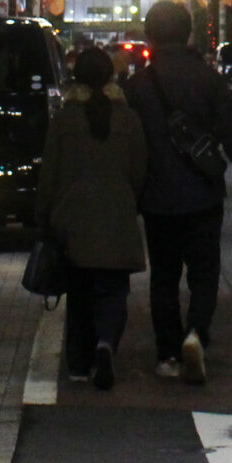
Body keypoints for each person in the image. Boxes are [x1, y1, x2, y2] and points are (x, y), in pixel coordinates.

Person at [124, 0, 232, 384]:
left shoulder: (138, 86)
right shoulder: (208, 79)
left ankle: (167, 353)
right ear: (188, 33)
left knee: (164, 276)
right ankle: (196, 333)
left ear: (150, 35)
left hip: (157, 197)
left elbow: (128, 144)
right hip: (203, 193)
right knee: (204, 271)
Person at [34, 46, 146, 391]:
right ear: (112, 76)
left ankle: (79, 365)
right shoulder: (128, 119)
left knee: (79, 296)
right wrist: (131, 203)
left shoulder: (65, 120)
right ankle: (106, 344)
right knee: (113, 292)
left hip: (74, 223)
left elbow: (49, 175)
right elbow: (140, 173)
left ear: (76, 77)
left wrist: (43, 218)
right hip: (118, 218)